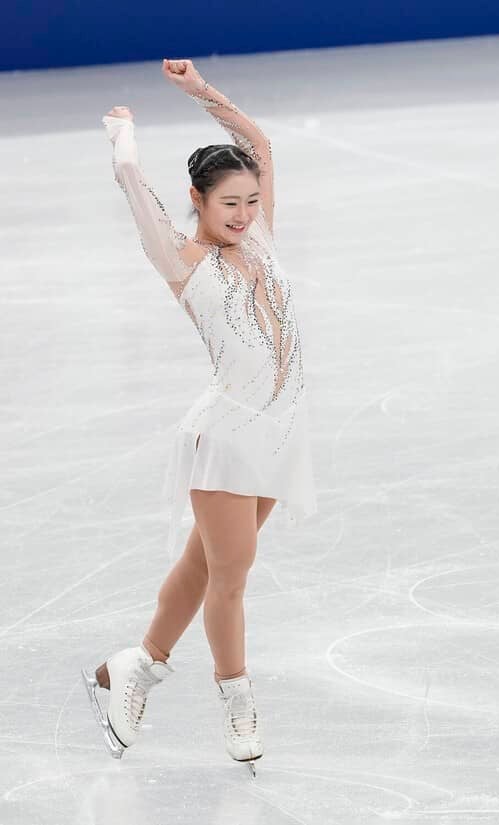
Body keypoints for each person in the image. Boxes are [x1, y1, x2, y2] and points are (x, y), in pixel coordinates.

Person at [81, 58, 317, 777]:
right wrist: (122, 134)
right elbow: (134, 185)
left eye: (251, 200)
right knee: (232, 575)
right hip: (227, 437)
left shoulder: (261, 238)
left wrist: (198, 91)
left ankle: (137, 664)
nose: (243, 214)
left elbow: (258, 144)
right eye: (228, 204)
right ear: (198, 201)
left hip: (280, 432)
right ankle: (236, 698)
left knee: (202, 564)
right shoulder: (185, 262)